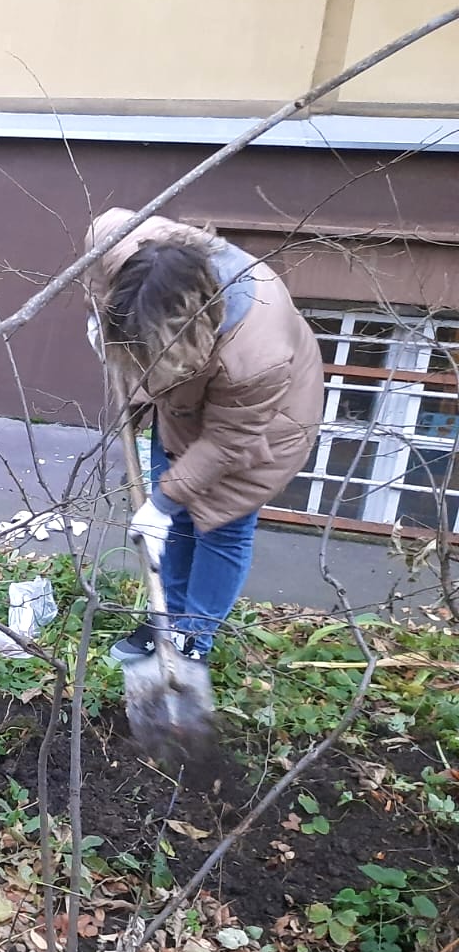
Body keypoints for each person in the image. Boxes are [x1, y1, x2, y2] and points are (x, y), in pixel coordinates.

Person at [83, 207, 324, 678]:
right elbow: (97, 275)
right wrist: (103, 322)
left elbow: (228, 442)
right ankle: (166, 619)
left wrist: (161, 505)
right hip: (182, 401)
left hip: (262, 425)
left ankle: (193, 636)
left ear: (198, 324)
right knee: (174, 517)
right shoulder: (120, 240)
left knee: (220, 526)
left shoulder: (258, 354)